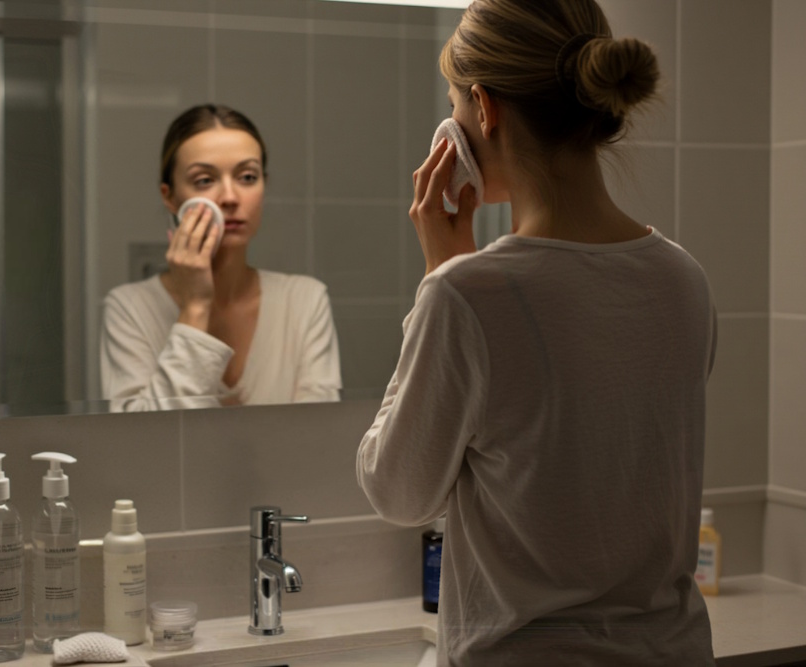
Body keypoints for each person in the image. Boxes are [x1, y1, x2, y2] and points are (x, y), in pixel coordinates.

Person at [356, 1, 717, 665]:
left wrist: (442, 271)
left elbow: (399, 492)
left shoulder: (467, 294)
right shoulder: (683, 279)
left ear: (483, 109)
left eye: (455, 103)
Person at [101, 104, 341, 411]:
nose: (229, 197)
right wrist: (195, 308)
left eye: (247, 177)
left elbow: (318, 437)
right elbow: (147, 443)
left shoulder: (305, 301)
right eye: (204, 180)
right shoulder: (129, 310)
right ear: (170, 197)